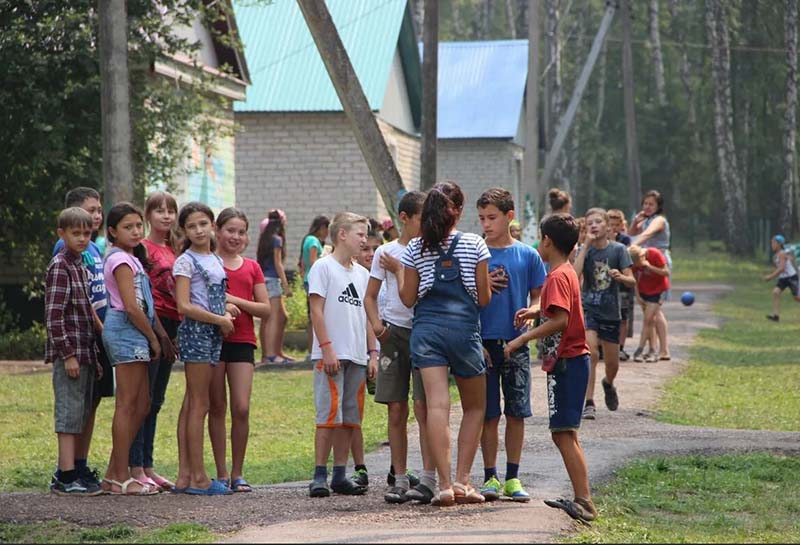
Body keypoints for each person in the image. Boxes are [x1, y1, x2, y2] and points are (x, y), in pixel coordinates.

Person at [400, 181, 492, 507]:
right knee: (475, 407)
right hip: (464, 331)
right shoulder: (475, 245)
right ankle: (463, 480)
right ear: (459, 211)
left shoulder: (414, 248)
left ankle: (442, 485)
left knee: (437, 406)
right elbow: (483, 297)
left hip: (427, 331)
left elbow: (408, 298)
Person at [503, 213, 597, 523]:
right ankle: (582, 498)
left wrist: (521, 340)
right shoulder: (565, 270)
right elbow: (554, 309)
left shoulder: (556, 275)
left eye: (540, 238)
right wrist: (534, 311)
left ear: (547, 241)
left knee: (563, 435)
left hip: (568, 362)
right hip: (573, 360)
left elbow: (561, 319)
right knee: (567, 433)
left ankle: (584, 501)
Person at [475, 188, 546, 503]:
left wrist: (533, 311)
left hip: (516, 342)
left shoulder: (527, 255)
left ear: (509, 216)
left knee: (516, 412)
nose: (486, 224)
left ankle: (513, 477)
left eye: (492, 218)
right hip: (483, 343)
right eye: (481, 218)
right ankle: (489, 477)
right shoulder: (476, 253)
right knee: (488, 414)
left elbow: (539, 294)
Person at [364, 191, 435, 504]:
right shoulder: (386, 251)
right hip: (394, 334)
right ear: (404, 219)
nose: (427, 224)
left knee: (424, 408)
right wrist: (377, 326)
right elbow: (370, 295)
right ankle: (400, 476)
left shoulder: (430, 249)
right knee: (396, 407)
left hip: (424, 331)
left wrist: (398, 269)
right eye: (422, 218)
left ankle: (429, 477)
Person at [307, 212, 379, 498]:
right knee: (328, 415)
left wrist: (372, 353)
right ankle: (319, 475)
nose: (365, 240)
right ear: (342, 235)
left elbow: (368, 315)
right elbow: (316, 310)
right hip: (331, 355)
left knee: (350, 418)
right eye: (360, 234)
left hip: (357, 357)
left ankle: (340, 474)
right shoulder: (323, 268)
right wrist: (326, 348)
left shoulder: (362, 274)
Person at [100, 202, 167, 496]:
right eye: (128, 227)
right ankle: (117, 476)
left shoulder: (133, 258)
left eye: (138, 225)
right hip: (127, 332)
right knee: (127, 404)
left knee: (142, 403)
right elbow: (130, 306)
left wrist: (156, 335)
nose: (136, 231)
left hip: (137, 332)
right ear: (113, 231)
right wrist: (153, 337)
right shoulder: (120, 261)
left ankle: (115, 471)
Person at [173, 202, 235, 496]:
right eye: (191, 226)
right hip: (198, 332)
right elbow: (184, 305)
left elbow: (211, 297)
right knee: (200, 404)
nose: (198, 230)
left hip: (212, 332)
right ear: (183, 230)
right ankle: (198, 477)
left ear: (212, 225)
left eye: (202, 224)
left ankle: (185, 475)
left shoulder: (214, 258)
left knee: (192, 404)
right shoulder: (185, 261)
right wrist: (219, 318)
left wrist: (226, 308)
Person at [51, 187, 112, 491]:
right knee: (70, 411)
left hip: (89, 345)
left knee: (85, 408)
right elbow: (54, 314)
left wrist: (103, 332)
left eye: (87, 233)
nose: (83, 238)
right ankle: (65, 475)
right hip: (71, 349)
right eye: (77, 232)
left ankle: (77, 467)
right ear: (62, 233)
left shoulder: (84, 259)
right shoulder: (61, 263)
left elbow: (90, 302)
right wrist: (68, 353)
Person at [209, 208, 271, 493]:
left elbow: (265, 309)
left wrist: (233, 299)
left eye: (241, 232)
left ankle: (238, 473)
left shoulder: (251, 267)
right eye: (230, 230)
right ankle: (221, 472)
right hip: (211, 340)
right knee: (217, 406)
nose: (235, 236)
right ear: (217, 230)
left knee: (241, 408)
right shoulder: (207, 263)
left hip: (243, 341)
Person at [129, 191, 181, 492]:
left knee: (157, 401)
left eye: (170, 210)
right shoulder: (142, 249)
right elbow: (145, 298)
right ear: (147, 215)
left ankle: (148, 466)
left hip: (174, 325)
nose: (165, 215)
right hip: (152, 324)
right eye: (158, 210)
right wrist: (159, 334)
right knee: (143, 400)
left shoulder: (176, 248)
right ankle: (134, 466)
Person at [573, 208, 635, 420]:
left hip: (611, 312)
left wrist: (620, 277)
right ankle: (588, 402)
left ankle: (608, 383)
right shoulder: (585, 251)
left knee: (612, 363)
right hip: (589, 307)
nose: (594, 226)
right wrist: (585, 246)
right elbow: (574, 275)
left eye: (598, 222)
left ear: (608, 227)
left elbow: (632, 279)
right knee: (590, 352)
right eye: (590, 223)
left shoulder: (618, 250)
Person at [347, 229, 383, 487]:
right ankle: (359, 466)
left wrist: (376, 354)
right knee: (353, 413)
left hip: (383, 352)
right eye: (365, 249)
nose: (370, 254)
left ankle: (398, 468)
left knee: (396, 408)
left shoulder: (384, 275)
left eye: (374, 249)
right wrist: (371, 353)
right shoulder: (354, 277)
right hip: (359, 352)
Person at [629, 190, 671, 358]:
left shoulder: (659, 220)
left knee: (655, 310)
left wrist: (630, 249)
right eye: (645, 204)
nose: (647, 207)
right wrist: (635, 223)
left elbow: (647, 234)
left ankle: (663, 349)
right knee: (649, 310)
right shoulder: (645, 220)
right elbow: (632, 233)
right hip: (643, 261)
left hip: (658, 261)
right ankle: (654, 348)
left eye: (651, 204)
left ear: (658, 206)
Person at [257, 209, 293, 364]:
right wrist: (286, 285)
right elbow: (278, 264)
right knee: (273, 318)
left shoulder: (264, 239)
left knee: (277, 317)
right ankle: (271, 354)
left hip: (263, 279)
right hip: (272, 280)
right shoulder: (277, 239)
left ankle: (271, 353)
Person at [628, 245, 671, 361]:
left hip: (657, 291)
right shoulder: (633, 260)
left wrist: (649, 267)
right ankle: (653, 349)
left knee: (647, 319)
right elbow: (635, 279)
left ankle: (641, 348)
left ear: (641, 257)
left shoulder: (654, 253)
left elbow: (666, 272)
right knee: (651, 321)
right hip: (644, 291)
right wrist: (637, 296)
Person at [299, 216, 330, 358]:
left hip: (307, 279)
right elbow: (312, 262)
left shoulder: (307, 239)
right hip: (314, 281)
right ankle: (313, 350)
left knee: (312, 315)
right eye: (326, 229)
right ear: (321, 228)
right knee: (316, 315)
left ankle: (312, 350)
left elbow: (303, 264)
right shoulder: (313, 241)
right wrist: (325, 256)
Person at [607, 209, 634, 362]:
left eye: (617, 225)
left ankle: (621, 347)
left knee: (623, 317)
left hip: (622, 285)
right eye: (611, 225)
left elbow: (626, 258)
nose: (614, 228)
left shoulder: (624, 240)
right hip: (605, 284)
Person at [763, 234, 800, 321]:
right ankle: (776, 316)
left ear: (779, 244)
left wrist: (770, 277)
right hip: (783, 278)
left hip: (791, 277)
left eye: (774, 242)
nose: (772, 244)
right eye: (771, 242)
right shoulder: (777, 255)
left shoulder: (782, 253)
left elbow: (781, 268)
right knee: (776, 292)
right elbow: (779, 267)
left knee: (797, 298)